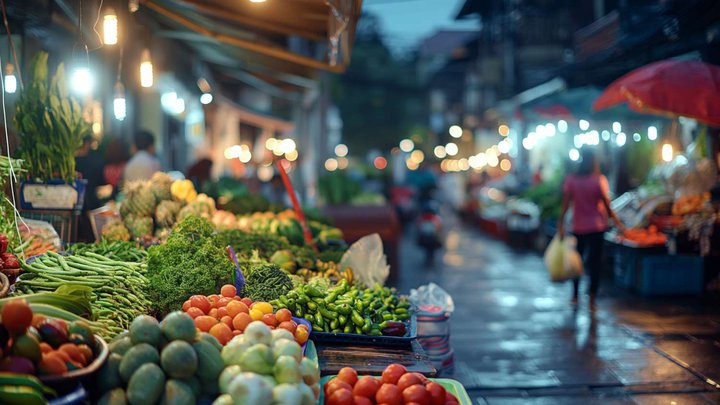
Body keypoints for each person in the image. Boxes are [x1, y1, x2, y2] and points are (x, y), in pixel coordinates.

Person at [558, 149, 624, 310]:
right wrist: (617, 222)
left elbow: (565, 205)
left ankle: (575, 295)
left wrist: (561, 224)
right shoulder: (597, 180)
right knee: (595, 264)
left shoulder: (571, 180)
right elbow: (606, 205)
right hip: (596, 227)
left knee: (576, 263)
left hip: (578, 226)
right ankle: (592, 299)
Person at [75, 135, 105, 241]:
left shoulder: (71, 163)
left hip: (74, 207)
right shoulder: (92, 162)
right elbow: (95, 185)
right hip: (88, 206)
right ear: (86, 144)